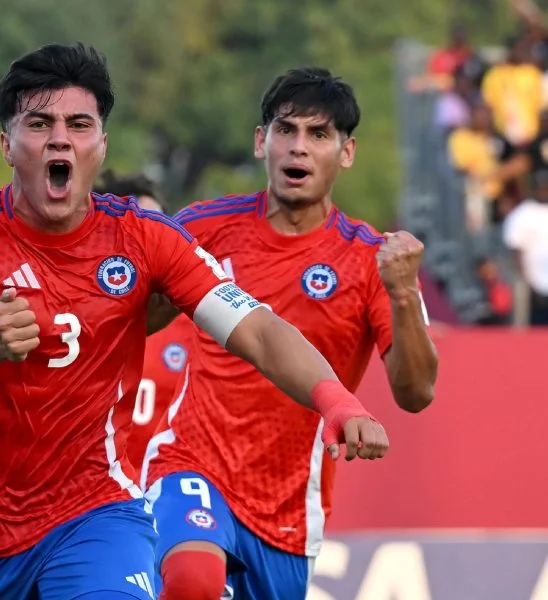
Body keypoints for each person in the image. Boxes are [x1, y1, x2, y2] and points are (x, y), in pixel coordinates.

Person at [0, 44, 388, 600]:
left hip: (96, 512)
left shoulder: (143, 236)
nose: (60, 139)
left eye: (79, 125)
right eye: (39, 124)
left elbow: (257, 328)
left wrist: (337, 400)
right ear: (7, 145)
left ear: (101, 144)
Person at [142, 67, 439, 600]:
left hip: (288, 510)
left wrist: (401, 294)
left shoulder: (371, 260)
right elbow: (137, 320)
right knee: (191, 580)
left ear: (346, 152)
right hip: (191, 463)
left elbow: (416, 393)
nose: (298, 147)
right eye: (286, 130)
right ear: (262, 142)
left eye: (318, 134)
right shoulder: (202, 227)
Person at [92, 169, 195, 473]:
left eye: (158, 224)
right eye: (135, 226)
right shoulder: (71, 319)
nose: (148, 237)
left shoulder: (194, 320)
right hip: (88, 488)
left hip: (163, 486)